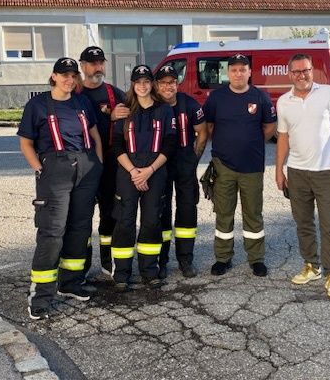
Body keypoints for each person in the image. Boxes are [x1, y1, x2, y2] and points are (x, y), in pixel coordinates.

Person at [18, 57, 104, 320]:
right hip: (54, 168)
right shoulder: (38, 104)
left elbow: (94, 134)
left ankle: (70, 282)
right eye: (63, 75)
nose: (69, 79)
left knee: (79, 227)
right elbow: (26, 142)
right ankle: (41, 296)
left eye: (72, 75)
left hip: (85, 166)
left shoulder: (82, 102)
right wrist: (39, 169)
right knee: (52, 231)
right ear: (53, 76)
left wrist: (98, 163)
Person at [275, 53, 330, 299]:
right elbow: (283, 138)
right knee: (303, 223)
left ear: (312, 70)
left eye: (306, 70)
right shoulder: (284, 102)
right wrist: (279, 169)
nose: (302, 75)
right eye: (296, 72)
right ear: (290, 75)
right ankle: (311, 266)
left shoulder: (329, 93)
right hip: (297, 173)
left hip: (326, 171)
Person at [203, 53, 277, 277]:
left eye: (242, 69)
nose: (238, 73)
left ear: (249, 72)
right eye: (233, 69)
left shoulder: (260, 97)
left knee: (253, 214)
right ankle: (223, 258)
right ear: (228, 73)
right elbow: (209, 126)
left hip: (252, 166)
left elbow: (270, 127)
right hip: (223, 165)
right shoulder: (217, 98)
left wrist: (250, 143)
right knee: (223, 214)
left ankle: (256, 259)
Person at [110, 65, 177, 289]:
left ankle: (150, 270)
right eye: (138, 82)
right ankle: (122, 273)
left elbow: (170, 144)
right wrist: (133, 171)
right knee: (124, 221)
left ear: (153, 84)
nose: (142, 86)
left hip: (155, 173)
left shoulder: (164, 110)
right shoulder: (124, 110)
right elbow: (117, 145)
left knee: (151, 221)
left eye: (147, 81)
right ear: (133, 85)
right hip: (128, 172)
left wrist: (148, 171)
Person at [78, 46, 129, 279]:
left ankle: (108, 263)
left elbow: (135, 122)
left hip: (110, 165)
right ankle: (80, 266)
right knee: (81, 217)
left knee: (110, 215)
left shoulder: (115, 94)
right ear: (82, 66)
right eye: (92, 63)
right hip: (82, 165)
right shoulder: (74, 93)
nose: (98, 67)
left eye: (101, 62)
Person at [154, 64, 208, 279]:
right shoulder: (152, 105)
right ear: (157, 85)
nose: (168, 86)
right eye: (164, 82)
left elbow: (202, 132)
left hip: (185, 163)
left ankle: (186, 259)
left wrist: (193, 159)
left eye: (172, 82)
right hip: (160, 166)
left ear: (177, 84)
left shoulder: (189, 104)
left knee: (187, 210)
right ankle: (163, 260)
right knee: (162, 211)